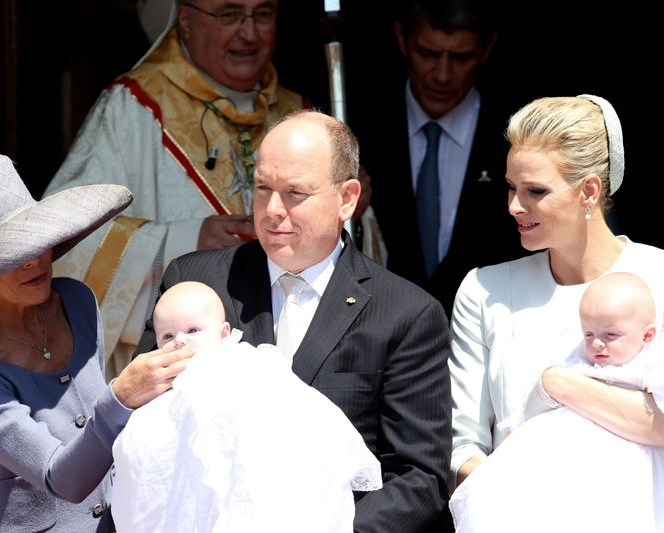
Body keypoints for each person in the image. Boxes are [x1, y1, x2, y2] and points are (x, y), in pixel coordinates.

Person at [134, 110, 452, 531]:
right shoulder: (195, 282)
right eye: (263, 189)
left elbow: (419, 475)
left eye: (295, 193)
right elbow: (146, 420)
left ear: (347, 198)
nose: (272, 211)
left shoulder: (407, 314)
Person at [42, 0, 384, 381]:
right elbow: (65, 237)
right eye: (229, 14)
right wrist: (183, 239)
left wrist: (348, 209)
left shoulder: (299, 115)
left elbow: (362, 265)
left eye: (263, 14)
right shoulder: (135, 107)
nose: (249, 33)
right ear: (185, 20)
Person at [449, 95, 664, 531]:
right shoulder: (483, 290)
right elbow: (462, 444)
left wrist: (559, 385)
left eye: (535, 191)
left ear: (589, 190)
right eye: (511, 187)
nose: (514, 205)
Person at [0, 154, 192, 532]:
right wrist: (121, 395)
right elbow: (62, 479)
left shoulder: (77, 300)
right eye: (10, 254)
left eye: (37, 240)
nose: (35, 260)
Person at [112, 281, 382, 532]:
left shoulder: (247, 365)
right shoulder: (159, 389)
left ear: (223, 332)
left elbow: (293, 416)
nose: (179, 341)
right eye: (167, 336)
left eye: (193, 330)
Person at [450, 272, 664, 532]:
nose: (597, 344)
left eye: (611, 335)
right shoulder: (580, 358)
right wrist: (518, 424)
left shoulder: (652, 364)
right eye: (588, 334)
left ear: (647, 335)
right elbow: (541, 397)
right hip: (571, 460)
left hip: (636, 464)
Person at [352, 0, 521, 316]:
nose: (442, 75)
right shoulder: (360, 128)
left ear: (487, 50)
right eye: (428, 54)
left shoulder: (517, 136)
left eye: (461, 57)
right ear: (401, 39)